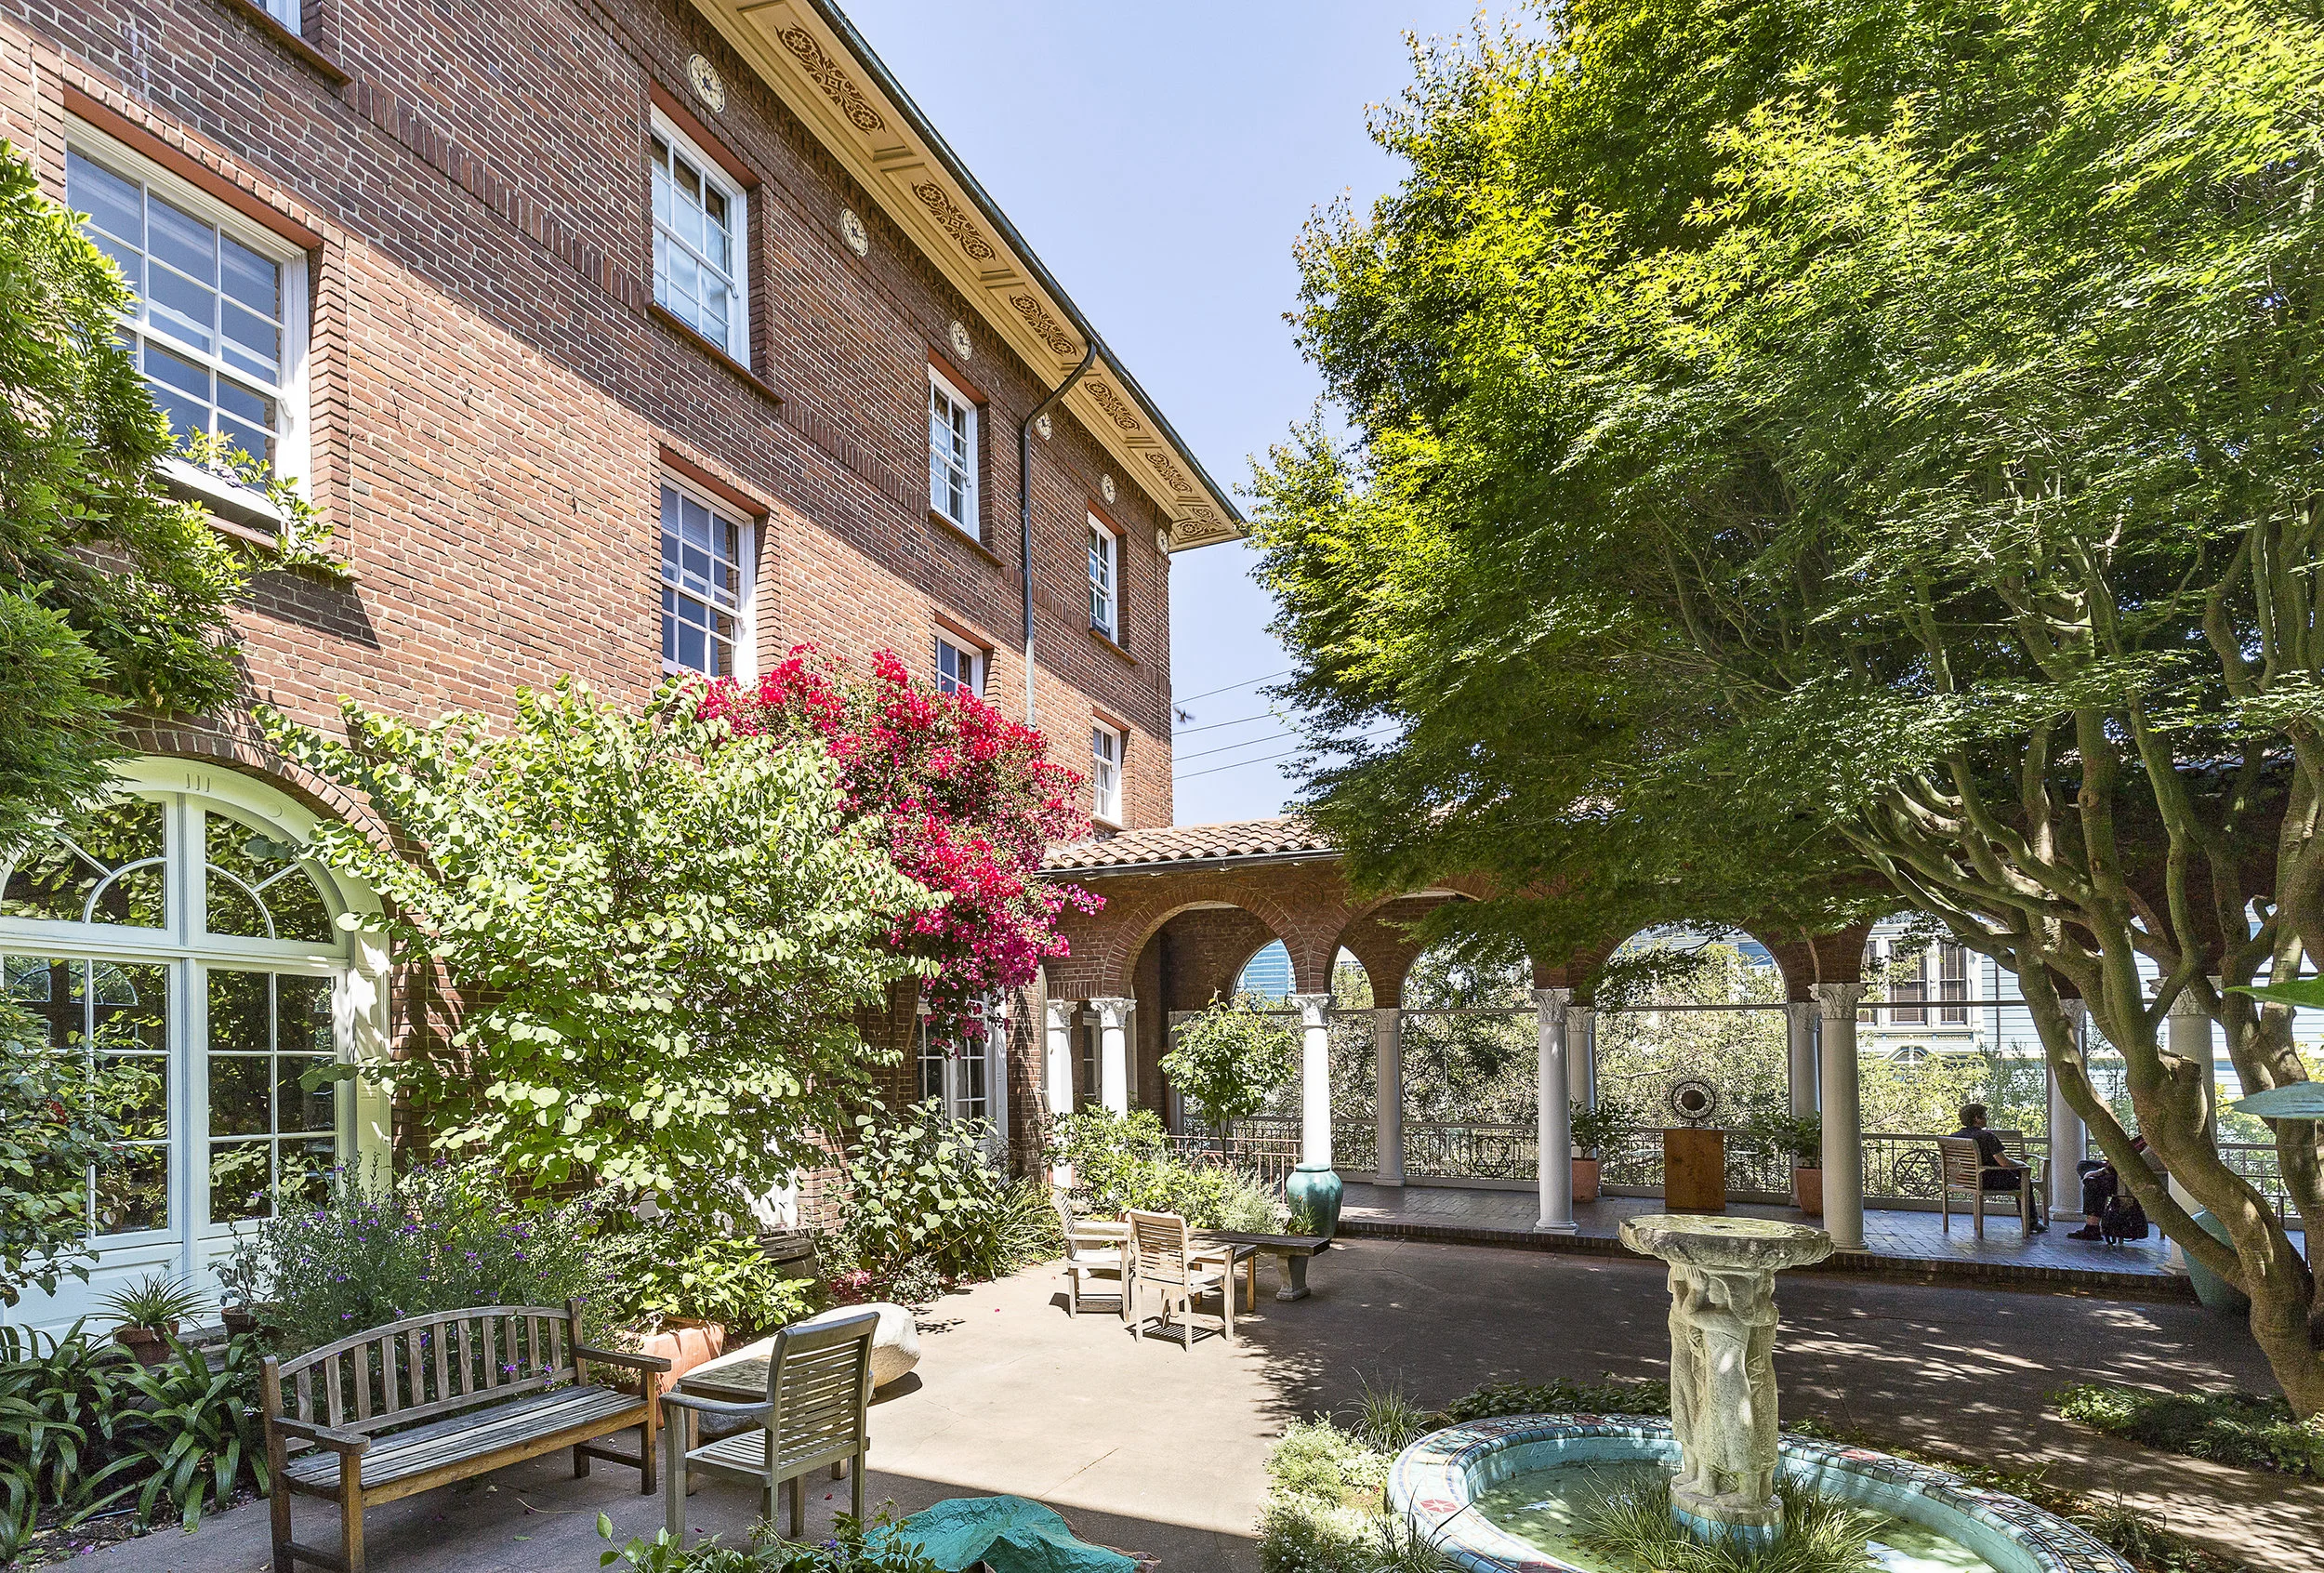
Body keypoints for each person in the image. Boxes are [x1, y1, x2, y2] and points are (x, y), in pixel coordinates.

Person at [1950, 1102, 2047, 1232]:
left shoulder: (1954, 1137)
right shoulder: (1987, 1137)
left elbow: (1951, 1163)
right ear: (1977, 1118)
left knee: (2019, 1175)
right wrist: (2021, 1164)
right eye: (1985, 1115)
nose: (1987, 1118)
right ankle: (2031, 1223)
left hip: (1967, 1180)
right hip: (1988, 1180)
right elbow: (2004, 1163)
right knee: (2024, 1181)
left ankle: (2027, 1217)